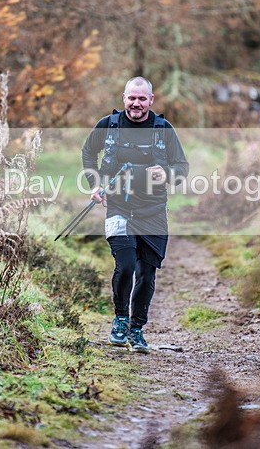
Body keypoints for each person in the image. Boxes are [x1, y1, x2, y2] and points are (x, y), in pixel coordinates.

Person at [81, 76, 189, 353]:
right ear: (124, 98)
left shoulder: (163, 129)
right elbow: (88, 152)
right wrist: (95, 185)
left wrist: (167, 173)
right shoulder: (109, 125)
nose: (136, 103)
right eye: (132, 98)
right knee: (126, 265)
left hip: (153, 212)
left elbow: (182, 167)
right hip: (118, 208)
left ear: (151, 100)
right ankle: (120, 320)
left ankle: (136, 329)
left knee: (146, 274)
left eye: (142, 98)